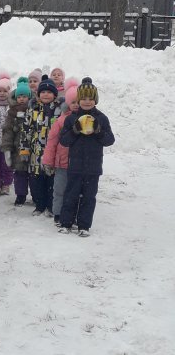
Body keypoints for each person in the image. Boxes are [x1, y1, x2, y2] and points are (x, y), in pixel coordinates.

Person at [58, 77, 115, 237]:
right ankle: (66, 223)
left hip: (93, 167)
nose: (87, 101)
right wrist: (75, 130)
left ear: (95, 100)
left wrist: (98, 131)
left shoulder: (101, 119)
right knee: (71, 195)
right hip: (75, 167)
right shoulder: (71, 118)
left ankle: (84, 225)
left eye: (91, 98)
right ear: (78, 99)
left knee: (89, 197)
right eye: (83, 98)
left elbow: (110, 140)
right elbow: (64, 141)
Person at [19, 75, 62, 216]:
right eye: (43, 92)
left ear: (55, 95)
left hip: (53, 153)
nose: (46, 94)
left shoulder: (58, 111)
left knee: (51, 182)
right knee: (36, 181)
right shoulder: (32, 110)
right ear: (38, 94)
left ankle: (50, 206)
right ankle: (39, 205)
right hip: (35, 154)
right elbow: (25, 131)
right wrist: (24, 150)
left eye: (49, 92)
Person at [41, 78, 80, 225]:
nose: (76, 105)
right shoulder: (61, 121)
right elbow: (52, 142)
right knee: (59, 190)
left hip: (78, 164)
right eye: (73, 102)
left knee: (75, 192)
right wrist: (48, 161)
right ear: (68, 103)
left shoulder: (86, 119)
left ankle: (73, 214)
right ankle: (57, 213)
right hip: (61, 163)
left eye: (78, 101)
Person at [1, 76, 31, 206]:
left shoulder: (34, 109)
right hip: (18, 147)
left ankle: (36, 195)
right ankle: (20, 195)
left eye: (24, 96)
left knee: (34, 175)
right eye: (19, 96)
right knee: (19, 173)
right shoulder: (12, 112)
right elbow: (7, 131)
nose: (22, 99)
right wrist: (7, 148)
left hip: (33, 147)